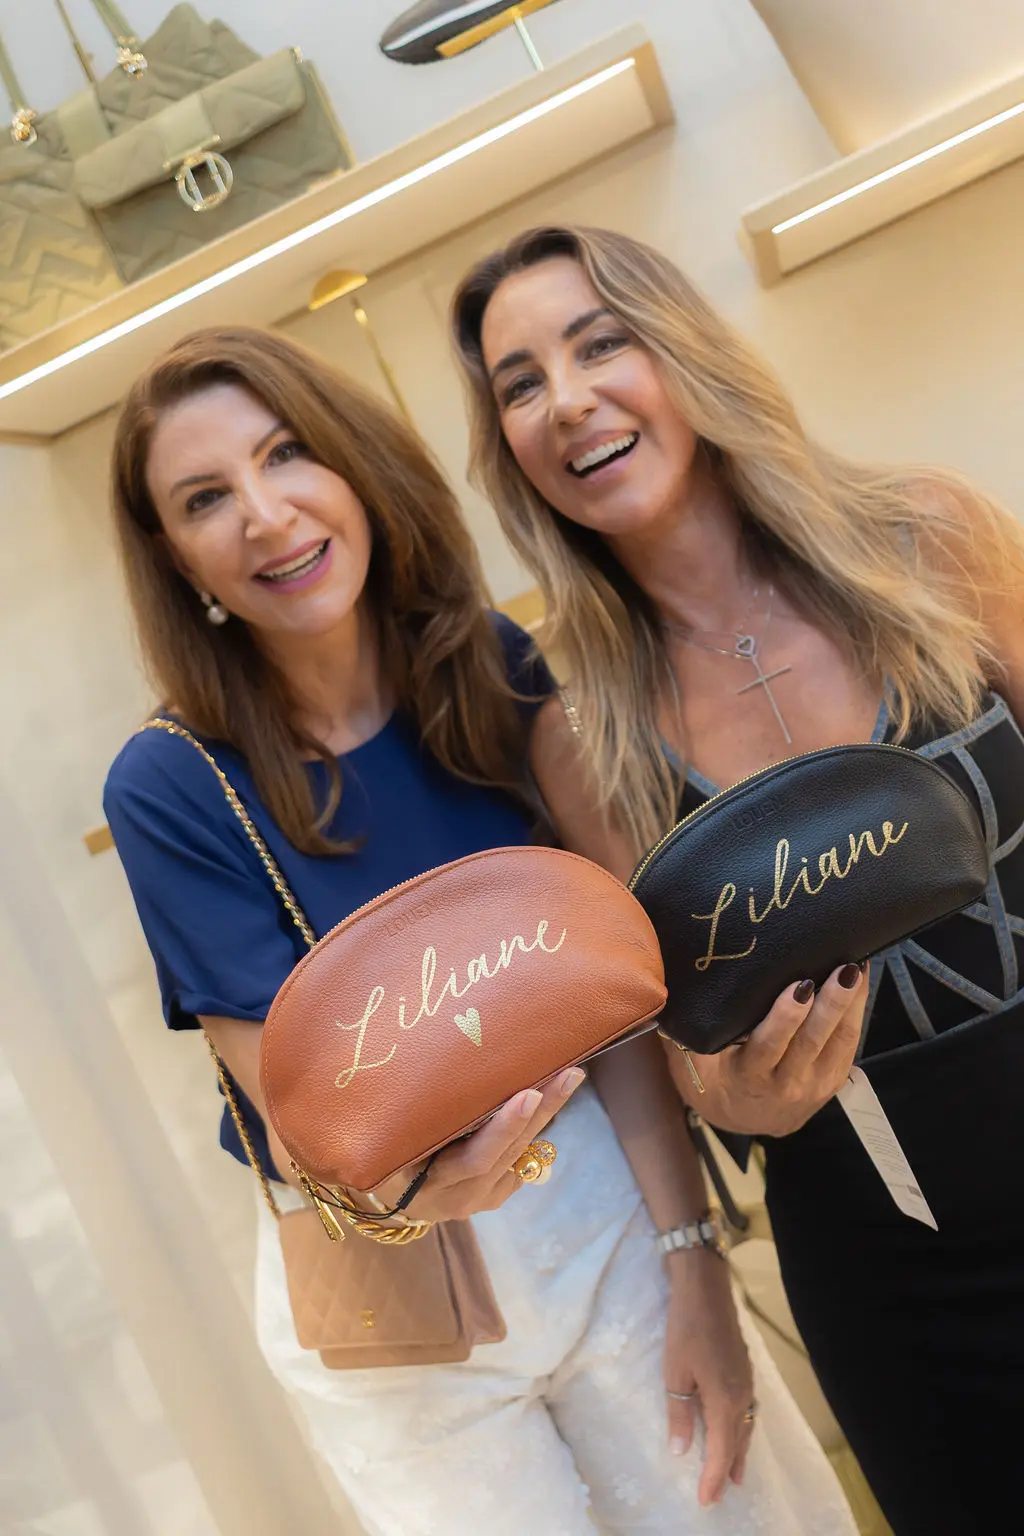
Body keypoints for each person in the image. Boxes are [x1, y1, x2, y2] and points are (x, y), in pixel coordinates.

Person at [104, 326, 857, 1535]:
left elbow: (614, 1004)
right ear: (174, 555)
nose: (264, 514)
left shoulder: (491, 672)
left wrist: (692, 1257)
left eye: (286, 454)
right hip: (398, 1305)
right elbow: (304, 1131)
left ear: (352, 466)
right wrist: (412, 1196)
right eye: (204, 498)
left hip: (597, 1213)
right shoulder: (170, 786)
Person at [451, 221, 1024, 1536]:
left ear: (684, 354)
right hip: (901, 1280)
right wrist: (739, 1102)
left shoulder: (928, 538)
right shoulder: (584, 738)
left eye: (600, 343)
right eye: (521, 384)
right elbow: (678, 1059)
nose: (567, 400)